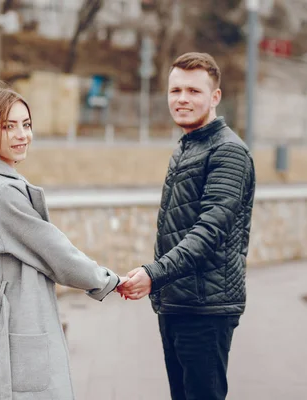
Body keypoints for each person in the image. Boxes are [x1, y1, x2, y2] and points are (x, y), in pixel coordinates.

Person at [0, 81, 125, 400]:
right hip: (1, 327)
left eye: (26, 124)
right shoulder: (2, 192)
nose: (22, 135)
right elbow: (55, 252)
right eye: (9, 127)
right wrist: (108, 281)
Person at [118, 52, 256, 400]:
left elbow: (208, 232)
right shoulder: (189, 146)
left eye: (193, 91)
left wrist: (154, 274)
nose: (182, 99)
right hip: (178, 302)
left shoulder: (228, 152)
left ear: (215, 97)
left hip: (206, 308)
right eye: (175, 90)